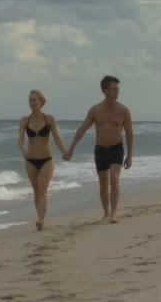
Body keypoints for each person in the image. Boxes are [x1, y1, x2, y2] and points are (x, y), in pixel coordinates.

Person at [63, 75, 134, 224]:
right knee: (103, 183)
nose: (117, 92)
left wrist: (130, 155)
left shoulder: (124, 110)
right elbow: (82, 129)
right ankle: (106, 213)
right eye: (114, 89)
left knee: (114, 179)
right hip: (100, 150)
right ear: (105, 90)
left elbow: (129, 133)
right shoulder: (95, 110)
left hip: (116, 149)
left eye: (118, 89)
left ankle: (114, 213)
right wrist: (71, 149)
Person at [18, 89, 68, 231]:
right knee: (36, 190)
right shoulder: (24, 121)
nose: (31, 103)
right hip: (31, 161)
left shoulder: (49, 119)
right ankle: (39, 217)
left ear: (41, 102)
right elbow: (20, 140)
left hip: (47, 159)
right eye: (30, 100)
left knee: (43, 190)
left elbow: (57, 138)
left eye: (34, 100)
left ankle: (41, 220)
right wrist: (23, 151)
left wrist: (65, 152)